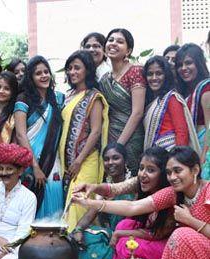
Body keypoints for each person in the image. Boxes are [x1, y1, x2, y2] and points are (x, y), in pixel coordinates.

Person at [73, 146, 208, 259]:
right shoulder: (173, 193)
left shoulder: (207, 191)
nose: (172, 177)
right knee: (132, 226)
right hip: (192, 254)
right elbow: (132, 207)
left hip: (197, 249)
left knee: (181, 234)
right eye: (169, 172)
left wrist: (190, 220)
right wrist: (90, 201)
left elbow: (159, 233)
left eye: (178, 171)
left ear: (195, 170)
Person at [74, 147, 172, 259]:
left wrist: (119, 233)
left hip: (162, 243)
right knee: (124, 226)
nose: (143, 174)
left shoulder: (168, 194)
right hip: (142, 234)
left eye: (151, 170)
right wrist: (92, 186)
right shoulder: (140, 181)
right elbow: (114, 189)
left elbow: (155, 233)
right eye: (141, 168)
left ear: (163, 174)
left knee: (126, 241)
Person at [71, 143, 134, 259]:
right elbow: (90, 214)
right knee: (79, 239)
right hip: (110, 237)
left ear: (125, 161)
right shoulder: (103, 188)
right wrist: (78, 230)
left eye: (115, 158)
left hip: (129, 237)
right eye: (106, 159)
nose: (110, 163)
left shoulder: (135, 185)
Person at [59, 50, 109, 231]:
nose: (72, 72)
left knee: (79, 204)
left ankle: (79, 251)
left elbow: (95, 132)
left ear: (87, 70)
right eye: (70, 68)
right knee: (70, 205)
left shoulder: (94, 97)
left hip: (86, 160)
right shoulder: (68, 96)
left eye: (77, 68)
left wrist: (79, 160)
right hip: (67, 163)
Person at [15, 56, 65, 219]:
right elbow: (21, 134)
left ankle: (55, 240)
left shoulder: (58, 98)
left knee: (54, 192)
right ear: (31, 77)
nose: (43, 76)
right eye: (38, 73)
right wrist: (35, 167)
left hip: (53, 160)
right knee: (32, 201)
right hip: (31, 162)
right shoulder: (23, 99)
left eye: (46, 72)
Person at [99, 28, 146, 174]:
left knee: (131, 177)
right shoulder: (104, 79)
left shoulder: (136, 71)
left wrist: (118, 146)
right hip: (110, 135)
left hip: (132, 137)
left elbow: (137, 112)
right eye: (110, 40)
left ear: (128, 50)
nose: (113, 44)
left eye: (120, 41)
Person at [143, 55, 200, 152]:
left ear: (166, 76)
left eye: (159, 73)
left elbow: (182, 132)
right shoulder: (151, 103)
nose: (154, 78)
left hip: (171, 155)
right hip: (154, 157)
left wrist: (177, 159)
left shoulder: (172, 98)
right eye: (150, 74)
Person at [174, 43, 210, 178]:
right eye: (179, 65)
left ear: (199, 64)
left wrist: (204, 159)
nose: (183, 68)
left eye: (189, 63)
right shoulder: (186, 93)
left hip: (204, 150)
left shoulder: (206, 89)